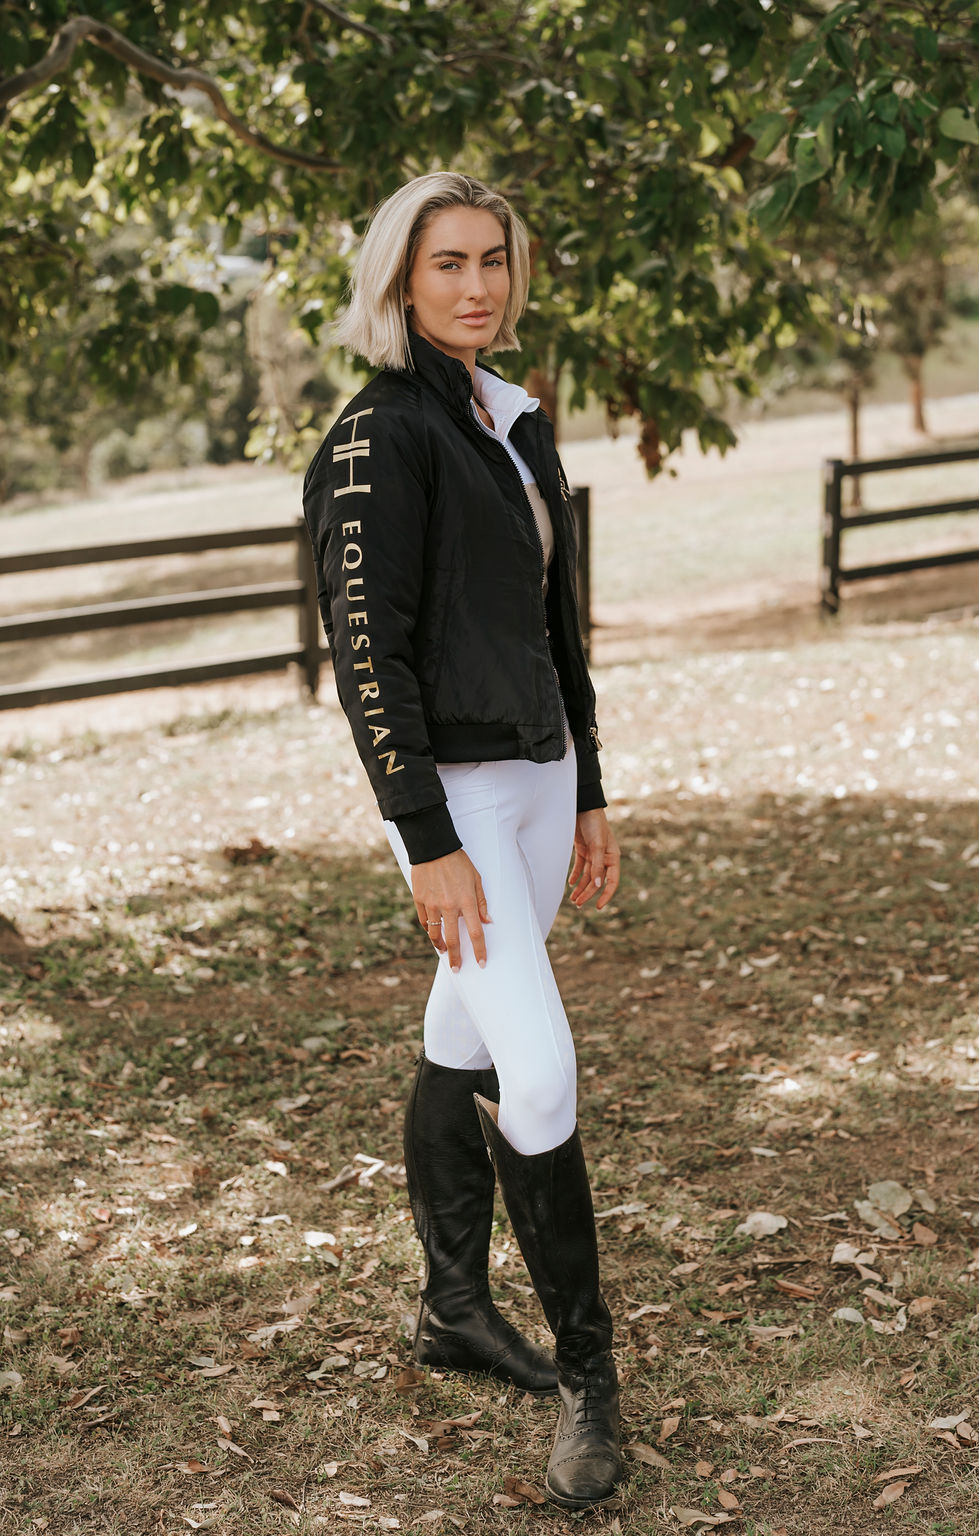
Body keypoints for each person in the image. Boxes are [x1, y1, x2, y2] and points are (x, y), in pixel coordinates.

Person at [302, 171, 622, 1510]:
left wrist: (590, 784)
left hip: (542, 778)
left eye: (494, 260)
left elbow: (557, 620)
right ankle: (594, 1383)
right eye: (449, 263)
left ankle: (450, 1310)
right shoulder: (378, 436)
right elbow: (365, 656)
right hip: (462, 802)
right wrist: (425, 837)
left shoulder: (511, 414)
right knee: (536, 1075)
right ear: (400, 279)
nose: (477, 284)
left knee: (463, 1031)